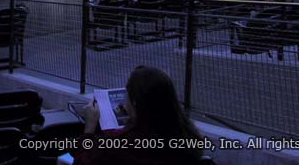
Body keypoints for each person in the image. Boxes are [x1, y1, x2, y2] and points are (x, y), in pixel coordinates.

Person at [72, 66, 203, 165]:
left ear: (134, 103)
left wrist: (89, 129)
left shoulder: (120, 147)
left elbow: (81, 161)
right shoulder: (190, 139)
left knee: (63, 159)